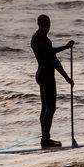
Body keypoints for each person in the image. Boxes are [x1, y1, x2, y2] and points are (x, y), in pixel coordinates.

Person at [31, 14, 74, 148]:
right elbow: (53, 60)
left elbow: (50, 52)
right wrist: (66, 77)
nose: (49, 27)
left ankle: (45, 137)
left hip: (40, 75)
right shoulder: (45, 40)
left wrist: (65, 47)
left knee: (45, 107)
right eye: (48, 24)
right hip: (47, 76)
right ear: (43, 25)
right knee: (51, 107)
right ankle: (45, 139)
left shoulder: (35, 38)